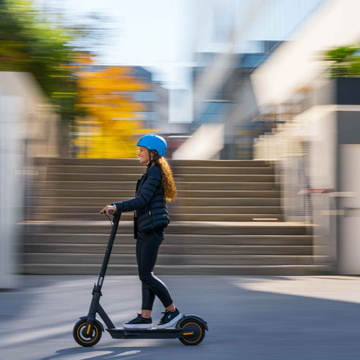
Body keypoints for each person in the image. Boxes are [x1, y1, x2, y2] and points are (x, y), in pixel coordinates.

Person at [100, 134, 181, 329]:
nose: (139, 153)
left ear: (153, 153)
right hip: (147, 228)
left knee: (146, 275)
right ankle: (145, 316)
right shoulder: (151, 171)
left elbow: (142, 200)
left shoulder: (154, 173)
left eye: (142, 150)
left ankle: (172, 311)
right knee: (146, 273)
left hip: (152, 228)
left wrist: (116, 206)